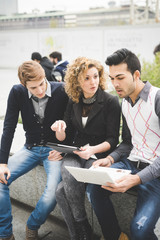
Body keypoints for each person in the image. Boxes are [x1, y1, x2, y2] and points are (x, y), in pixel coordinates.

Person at [87, 48, 160, 240]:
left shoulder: (157, 99)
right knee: (94, 187)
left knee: (139, 230)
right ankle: (115, 236)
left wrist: (136, 179)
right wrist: (110, 159)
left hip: (156, 174)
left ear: (136, 75)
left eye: (120, 77)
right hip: (131, 164)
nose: (114, 84)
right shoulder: (125, 103)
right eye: (111, 78)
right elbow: (127, 143)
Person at [49, 56, 121, 240]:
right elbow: (66, 132)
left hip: (98, 153)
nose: (92, 82)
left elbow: (113, 139)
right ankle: (81, 227)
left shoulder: (110, 101)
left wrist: (92, 150)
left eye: (95, 76)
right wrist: (59, 129)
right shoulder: (74, 100)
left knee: (60, 191)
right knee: (67, 168)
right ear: (77, 81)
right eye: (87, 78)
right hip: (76, 149)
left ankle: (80, 233)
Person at [0, 61, 68, 240]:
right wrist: (2, 162)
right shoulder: (17, 92)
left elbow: (73, 126)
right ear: (24, 85)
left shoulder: (62, 90)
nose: (39, 90)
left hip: (54, 151)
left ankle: (32, 225)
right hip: (29, 149)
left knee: (53, 193)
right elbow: (9, 127)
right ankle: (6, 233)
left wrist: (64, 150)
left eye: (42, 83)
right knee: (0, 181)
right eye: (33, 87)